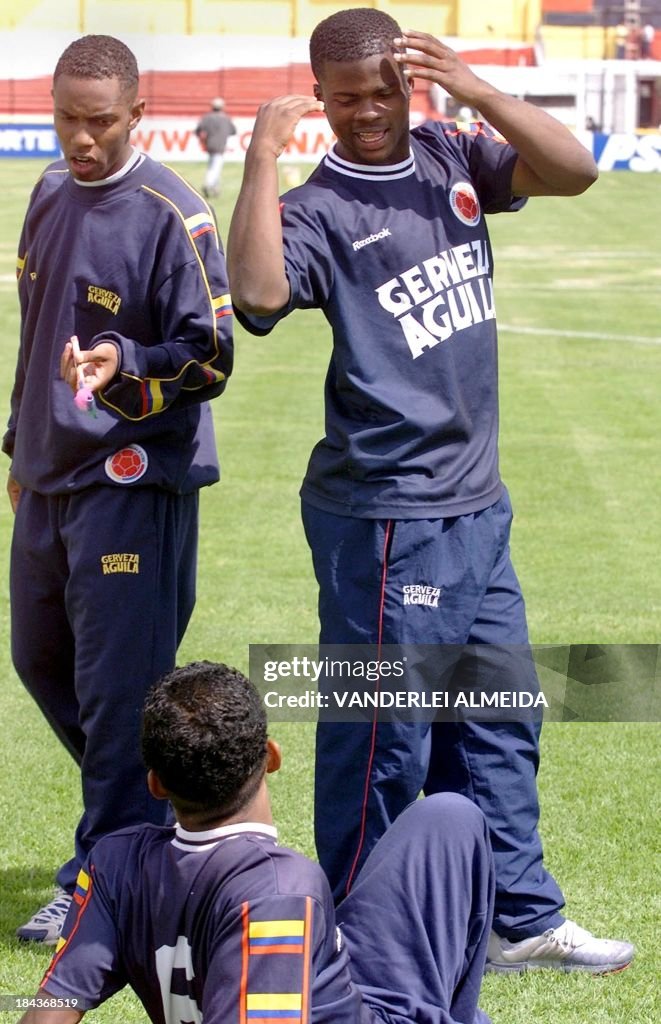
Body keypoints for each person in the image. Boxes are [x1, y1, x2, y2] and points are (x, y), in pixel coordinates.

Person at [227, 7, 634, 974]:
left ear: (410, 83)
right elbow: (256, 297)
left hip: (474, 503)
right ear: (318, 96)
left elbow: (575, 170)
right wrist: (259, 160)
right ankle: (360, 939)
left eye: (382, 92)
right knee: (382, 736)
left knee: (499, 716)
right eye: (345, 98)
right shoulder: (320, 205)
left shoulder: (452, 152)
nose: (367, 114)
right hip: (385, 514)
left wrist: (479, 88)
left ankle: (515, 917)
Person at [5, 34, 233, 945]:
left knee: (113, 689)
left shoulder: (171, 213)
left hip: (132, 480)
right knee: (41, 663)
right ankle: (169, 812)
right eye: (67, 117)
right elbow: (34, 335)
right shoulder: (48, 191)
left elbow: (211, 356)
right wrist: (21, 449)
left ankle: (102, 877)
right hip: (48, 476)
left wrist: (125, 362)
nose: (81, 139)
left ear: (138, 114)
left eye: (100, 121)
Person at [18, 661, 495, 1024]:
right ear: (271, 757)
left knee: (447, 816)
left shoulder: (114, 861)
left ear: (156, 784)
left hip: (337, 976)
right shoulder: (280, 887)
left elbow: (52, 1004)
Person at [195, 96, 236, 199]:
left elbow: (198, 130)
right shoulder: (225, 118)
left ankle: (215, 188)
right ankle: (208, 184)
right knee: (215, 167)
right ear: (222, 107)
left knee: (213, 165)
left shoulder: (207, 118)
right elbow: (233, 131)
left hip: (210, 145)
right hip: (220, 146)